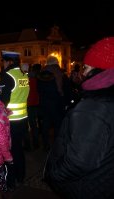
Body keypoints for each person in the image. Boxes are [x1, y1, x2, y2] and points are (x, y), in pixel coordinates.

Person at [43, 37, 114, 199]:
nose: (84, 73)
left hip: (88, 186)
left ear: (102, 69)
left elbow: (79, 162)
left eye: (87, 67)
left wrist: (53, 174)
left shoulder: (93, 107)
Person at [0, 50, 30, 190]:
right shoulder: (23, 74)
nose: (2, 64)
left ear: (9, 61)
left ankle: (10, 182)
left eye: (3, 62)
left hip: (10, 120)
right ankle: (21, 176)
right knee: (18, 150)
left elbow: (1, 101)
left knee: (9, 152)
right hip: (23, 118)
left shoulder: (7, 75)